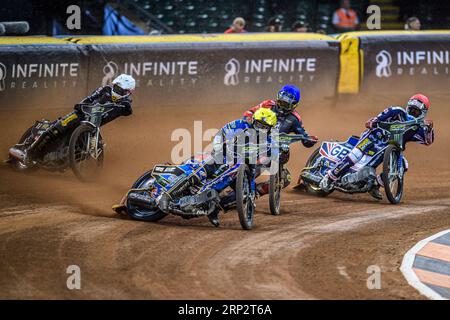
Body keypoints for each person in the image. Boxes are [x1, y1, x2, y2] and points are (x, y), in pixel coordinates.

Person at [320, 94, 434, 200]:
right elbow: (379, 117)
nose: (413, 113)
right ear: (407, 107)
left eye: (416, 112)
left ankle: (375, 185)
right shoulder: (397, 111)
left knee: (403, 165)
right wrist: (374, 122)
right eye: (411, 110)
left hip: (388, 147)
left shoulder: (417, 128)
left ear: (423, 113)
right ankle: (329, 178)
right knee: (355, 155)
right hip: (373, 137)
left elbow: (428, 141)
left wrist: (429, 129)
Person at [9, 74, 136, 167]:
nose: (116, 90)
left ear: (128, 92)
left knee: (84, 148)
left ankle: (60, 160)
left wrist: (124, 107)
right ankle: (29, 153)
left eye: (120, 89)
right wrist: (81, 105)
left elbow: (128, 111)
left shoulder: (125, 104)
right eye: (116, 87)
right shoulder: (104, 89)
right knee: (57, 128)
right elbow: (88, 99)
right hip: (80, 114)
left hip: (92, 126)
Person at [206, 108, 278, 226]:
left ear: (270, 129)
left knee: (246, 194)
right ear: (253, 120)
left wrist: (268, 159)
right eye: (259, 125)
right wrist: (218, 147)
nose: (260, 129)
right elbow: (221, 133)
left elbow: (274, 155)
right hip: (225, 158)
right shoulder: (240, 124)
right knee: (207, 174)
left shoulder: (271, 139)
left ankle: (214, 209)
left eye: (264, 128)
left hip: (247, 166)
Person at [242, 84, 318, 195]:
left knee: (285, 179)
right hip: (255, 142)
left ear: (294, 105)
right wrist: (247, 120)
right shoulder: (267, 104)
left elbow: (304, 136)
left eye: (286, 105)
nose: (282, 107)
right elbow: (249, 113)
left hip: (275, 150)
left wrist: (309, 140)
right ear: (278, 98)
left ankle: (256, 192)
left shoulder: (295, 118)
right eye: (281, 102)